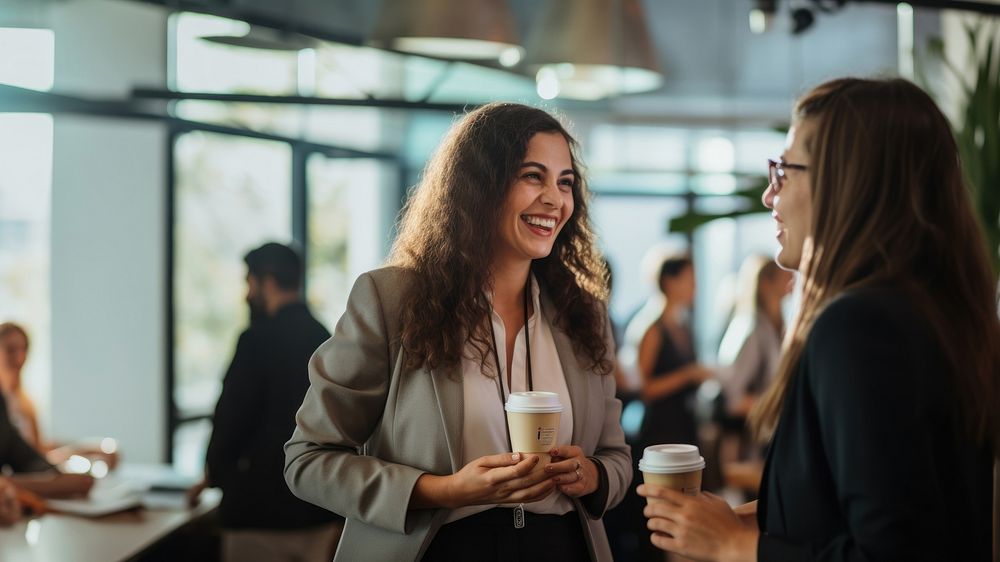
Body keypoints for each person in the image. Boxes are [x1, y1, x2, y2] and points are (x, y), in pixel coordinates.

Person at [639, 77, 999, 561]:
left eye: (785, 170)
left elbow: (894, 551)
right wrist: (745, 520)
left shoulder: (858, 325)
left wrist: (735, 546)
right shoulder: (934, 313)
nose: (771, 196)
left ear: (847, 181)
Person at [284, 102, 631, 562]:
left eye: (565, 182)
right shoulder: (392, 301)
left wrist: (593, 476)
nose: (555, 199)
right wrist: (443, 490)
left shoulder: (582, 314)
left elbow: (617, 457)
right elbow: (308, 460)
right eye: (533, 176)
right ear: (479, 185)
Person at [188, 242, 342, 562]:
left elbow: (232, 418)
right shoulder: (326, 339)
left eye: (249, 281)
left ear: (267, 282)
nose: (247, 293)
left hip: (257, 513)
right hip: (317, 508)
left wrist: (214, 473)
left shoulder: (255, 340)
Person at [714, 255, 793, 460]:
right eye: (785, 276)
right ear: (766, 284)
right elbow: (733, 397)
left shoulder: (776, 325)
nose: (792, 280)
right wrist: (778, 407)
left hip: (768, 437)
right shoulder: (751, 328)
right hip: (752, 446)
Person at [636, 255, 712, 453]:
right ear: (670, 282)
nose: (694, 286)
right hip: (660, 431)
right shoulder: (653, 330)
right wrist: (687, 375)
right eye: (689, 279)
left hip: (684, 424)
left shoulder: (683, 326)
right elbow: (645, 389)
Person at [0, 323, 41, 448]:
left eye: (24, 349)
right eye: (11, 350)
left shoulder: (25, 404)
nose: (19, 357)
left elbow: (35, 449)